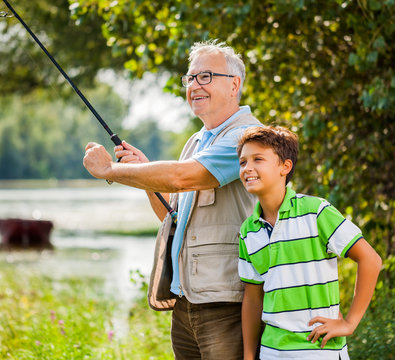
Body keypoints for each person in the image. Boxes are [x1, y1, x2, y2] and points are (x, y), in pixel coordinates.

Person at [83, 39, 262, 359]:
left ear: (234, 84)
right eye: (190, 78)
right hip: (186, 302)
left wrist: (110, 170)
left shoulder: (246, 137)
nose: (194, 85)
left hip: (226, 303)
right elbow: (172, 214)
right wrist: (142, 172)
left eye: (206, 76)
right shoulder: (196, 142)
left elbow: (181, 177)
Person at [236, 126, 382, 360]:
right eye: (243, 162)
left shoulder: (315, 212)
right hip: (272, 352)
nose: (247, 168)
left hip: (320, 352)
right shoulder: (247, 231)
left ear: (285, 166)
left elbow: (371, 260)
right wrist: (248, 355)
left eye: (258, 159)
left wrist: (349, 323)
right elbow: (253, 298)